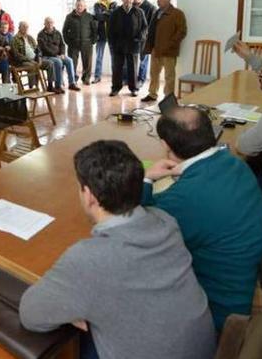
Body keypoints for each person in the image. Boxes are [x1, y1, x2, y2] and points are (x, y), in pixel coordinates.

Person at [19, 140, 216, 359]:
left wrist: (71, 308)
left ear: (89, 196)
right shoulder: (165, 221)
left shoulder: (87, 259)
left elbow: (30, 315)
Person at [142, 106, 262, 331]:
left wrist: (146, 180)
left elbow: (141, 231)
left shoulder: (186, 198)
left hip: (222, 311)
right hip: (251, 283)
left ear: (165, 145)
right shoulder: (234, 163)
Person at [141, 0, 187, 103]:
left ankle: (168, 97)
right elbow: (151, 31)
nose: (158, 0)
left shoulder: (177, 13)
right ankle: (152, 94)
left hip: (169, 51)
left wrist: (171, 44)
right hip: (155, 50)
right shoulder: (157, 13)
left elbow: (182, 31)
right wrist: (149, 46)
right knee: (154, 74)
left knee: (169, 76)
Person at [108, 0, 147, 97]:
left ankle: (133, 88)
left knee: (133, 68)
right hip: (118, 45)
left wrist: (140, 38)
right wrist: (112, 44)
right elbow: (110, 30)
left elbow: (144, 27)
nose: (128, 0)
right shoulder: (115, 12)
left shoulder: (139, 12)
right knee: (117, 68)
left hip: (133, 45)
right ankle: (115, 88)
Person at [37, 17, 80, 93]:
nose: (50, 24)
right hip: (47, 56)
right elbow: (44, 48)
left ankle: (72, 83)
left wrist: (62, 54)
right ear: (44, 24)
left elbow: (62, 45)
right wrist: (56, 55)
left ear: (53, 23)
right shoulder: (41, 34)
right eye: (48, 23)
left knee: (69, 60)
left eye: (51, 22)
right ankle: (58, 86)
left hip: (58, 55)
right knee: (58, 62)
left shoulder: (57, 33)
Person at [62, 0, 96, 85]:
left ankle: (86, 78)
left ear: (84, 6)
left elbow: (94, 30)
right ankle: (73, 79)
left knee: (87, 64)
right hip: (73, 44)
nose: (79, 7)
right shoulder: (69, 17)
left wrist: (93, 41)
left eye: (81, 5)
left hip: (87, 44)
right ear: (75, 6)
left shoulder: (89, 16)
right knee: (72, 63)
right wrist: (68, 42)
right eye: (78, 5)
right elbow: (65, 31)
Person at [11, 21, 53, 91]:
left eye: (27, 27)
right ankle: (33, 88)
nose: (26, 28)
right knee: (33, 66)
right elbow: (16, 54)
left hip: (34, 59)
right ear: (19, 28)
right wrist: (28, 59)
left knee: (50, 63)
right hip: (22, 62)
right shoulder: (15, 39)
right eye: (24, 27)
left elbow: (38, 49)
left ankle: (50, 86)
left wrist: (39, 57)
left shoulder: (30, 37)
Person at [92, 0, 116, 84]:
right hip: (101, 34)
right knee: (99, 57)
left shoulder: (114, 3)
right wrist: (108, 14)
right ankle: (97, 77)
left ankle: (115, 77)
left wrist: (104, 14)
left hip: (112, 34)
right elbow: (98, 16)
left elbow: (114, 15)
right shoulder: (97, 4)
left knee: (114, 57)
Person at [132, 0, 157, 85]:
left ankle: (141, 79)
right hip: (133, 39)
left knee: (143, 59)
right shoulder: (132, 6)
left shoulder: (151, 7)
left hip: (144, 39)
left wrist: (143, 36)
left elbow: (151, 26)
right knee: (131, 60)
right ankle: (129, 78)